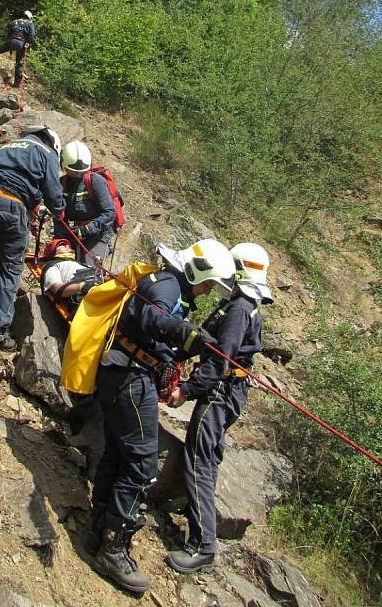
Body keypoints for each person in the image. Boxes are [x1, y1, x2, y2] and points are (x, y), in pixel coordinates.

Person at [88, 239, 236, 595]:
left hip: (122, 373)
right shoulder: (168, 288)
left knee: (119, 452)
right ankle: (113, 547)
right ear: (197, 272)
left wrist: (178, 346)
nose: (207, 290)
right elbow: (153, 318)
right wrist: (186, 333)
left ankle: (100, 528)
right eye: (209, 283)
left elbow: (152, 323)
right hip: (130, 379)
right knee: (141, 464)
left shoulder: (167, 282)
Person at [165, 242, 273, 575]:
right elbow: (206, 339)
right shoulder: (239, 304)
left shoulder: (240, 308)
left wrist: (186, 390)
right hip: (226, 392)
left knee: (198, 459)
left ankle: (202, 547)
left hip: (220, 393)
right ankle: (203, 530)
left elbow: (221, 361)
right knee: (206, 457)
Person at [0, 125, 65, 350]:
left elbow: (12, 177)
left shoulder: (11, 144)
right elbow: (54, 196)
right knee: (10, 267)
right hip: (8, 207)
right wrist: (60, 210)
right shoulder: (47, 153)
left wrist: (30, 202)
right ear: (55, 144)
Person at [56, 140, 115, 266]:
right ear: (64, 167)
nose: (78, 174)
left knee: (88, 269)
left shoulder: (95, 182)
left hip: (98, 236)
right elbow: (59, 217)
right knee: (57, 265)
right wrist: (61, 241)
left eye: (81, 172)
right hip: (73, 232)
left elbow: (109, 212)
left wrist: (89, 229)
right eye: (73, 171)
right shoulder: (62, 184)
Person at [0, 10, 35, 87]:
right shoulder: (30, 23)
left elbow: (9, 32)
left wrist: (9, 41)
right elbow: (32, 36)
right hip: (21, 44)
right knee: (19, 63)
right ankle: (17, 84)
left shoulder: (14, 21)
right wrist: (28, 43)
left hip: (11, 40)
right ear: (29, 17)